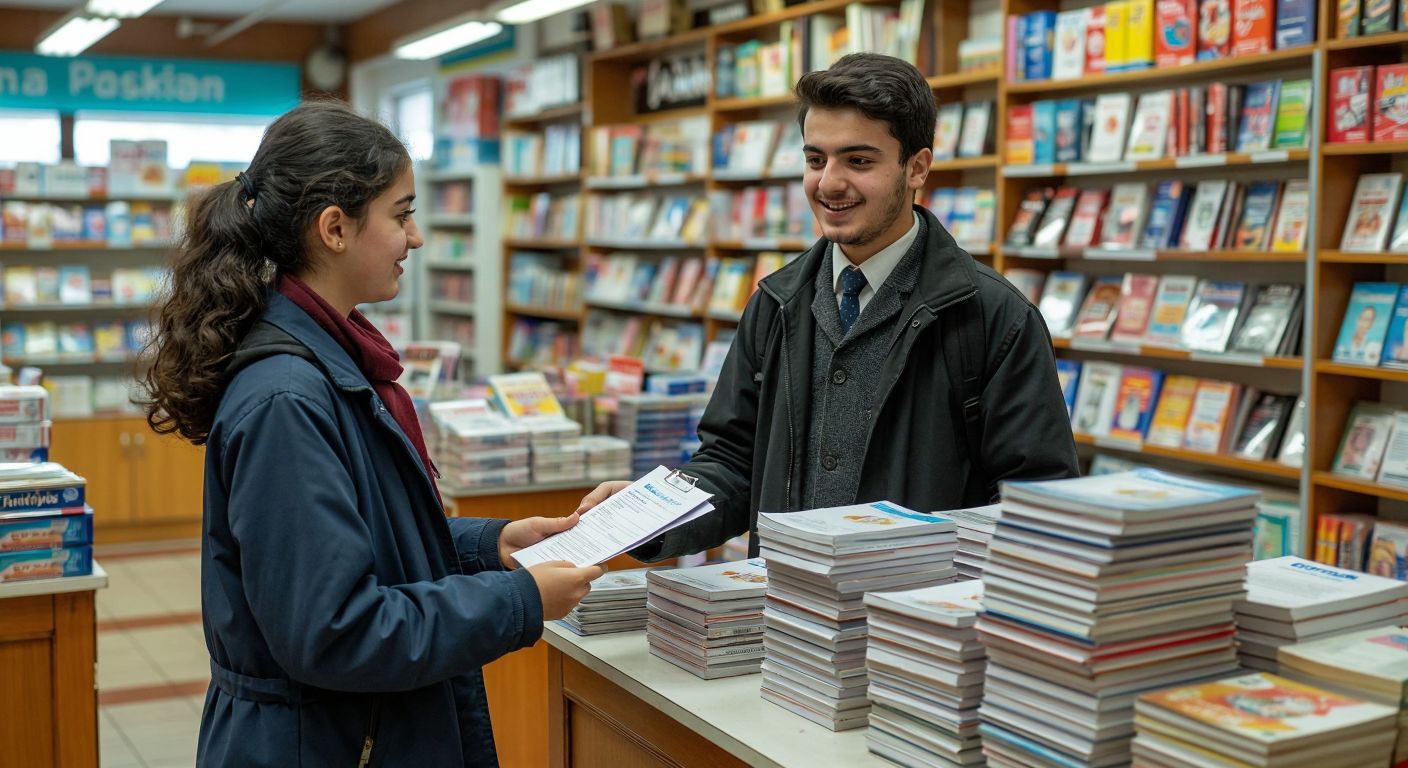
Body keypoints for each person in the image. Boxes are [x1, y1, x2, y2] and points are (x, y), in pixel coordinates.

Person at [138, 100, 602, 767]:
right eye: (402, 213)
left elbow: (366, 541)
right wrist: (519, 601)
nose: (414, 238)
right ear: (334, 228)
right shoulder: (287, 401)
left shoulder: (335, 361)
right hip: (322, 744)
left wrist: (492, 544)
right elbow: (334, 630)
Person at [579, 53, 1079, 559]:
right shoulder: (777, 302)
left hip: (914, 624)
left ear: (917, 167)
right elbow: (733, 461)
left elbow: (1034, 500)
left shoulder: (993, 316)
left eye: (858, 161)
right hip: (782, 616)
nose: (829, 183)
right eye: (816, 159)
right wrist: (649, 516)